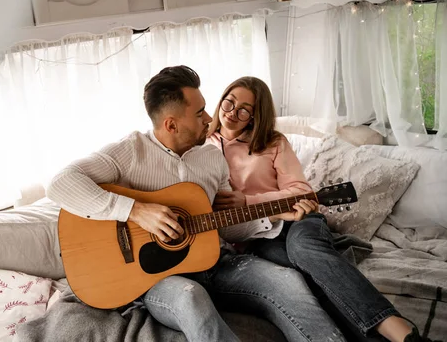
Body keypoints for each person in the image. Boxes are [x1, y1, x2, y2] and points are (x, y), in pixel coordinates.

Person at [47, 65, 348, 342]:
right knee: (191, 296)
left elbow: (226, 226)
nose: (209, 119)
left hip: (217, 264)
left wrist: (274, 212)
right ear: (172, 124)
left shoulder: (211, 157)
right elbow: (60, 183)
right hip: (160, 279)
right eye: (200, 112)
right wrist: (137, 211)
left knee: (289, 282)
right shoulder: (130, 152)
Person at [207, 76, 437, 342]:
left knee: (305, 251)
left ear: (255, 116)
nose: (233, 113)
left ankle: (404, 333)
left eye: (244, 109)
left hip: (298, 219)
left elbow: (301, 193)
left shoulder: (273, 142)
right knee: (308, 279)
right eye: (229, 102)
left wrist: (248, 201)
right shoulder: (202, 146)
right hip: (258, 236)